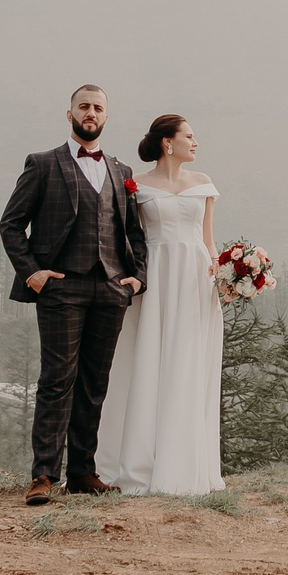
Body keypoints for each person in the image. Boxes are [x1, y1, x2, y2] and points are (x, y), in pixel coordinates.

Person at [0, 84, 146, 506]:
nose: (91, 112)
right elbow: (11, 224)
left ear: (106, 116)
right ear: (70, 114)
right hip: (61, 288)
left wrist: (137, 277)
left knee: (94, 384)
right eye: (84, 106)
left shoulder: (121, 170)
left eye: (98, 107)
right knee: (56, 381)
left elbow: (134, 231)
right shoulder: (43, 164)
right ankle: (44, 474)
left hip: (110, 289)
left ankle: (82, 473)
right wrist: (33, 274)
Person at [95, 113, 225, 495]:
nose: (195, 142)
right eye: (189, 136)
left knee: (187, 364)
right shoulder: (136, 185)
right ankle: (137, 465)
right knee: (145, 361)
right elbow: (127, 235)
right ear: (168, 142)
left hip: (195, 282)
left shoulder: (203, 183)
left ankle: (183, 467)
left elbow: (208, 240)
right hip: (153, 278)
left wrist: (225, 277)